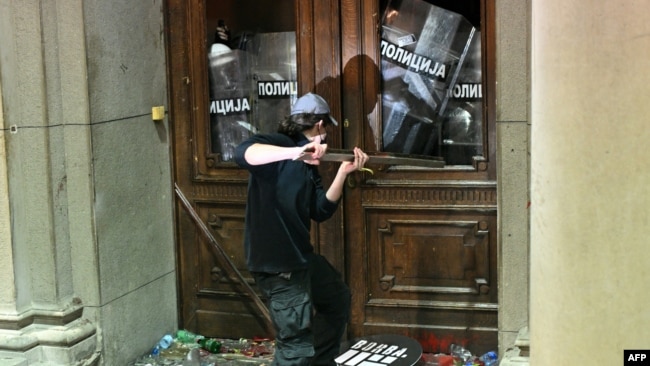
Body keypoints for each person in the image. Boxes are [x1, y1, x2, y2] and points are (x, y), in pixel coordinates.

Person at [234, 92, 369, 366]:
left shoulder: (310, 167)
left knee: (337, 300)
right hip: (278, 264)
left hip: (300, 257)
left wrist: (343, 173)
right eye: (327, 128)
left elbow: (320, 210)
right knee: (295, 348)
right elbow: (243, 153)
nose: (327, 134)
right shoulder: (279, 145)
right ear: (320, 126)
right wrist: (297, 152)